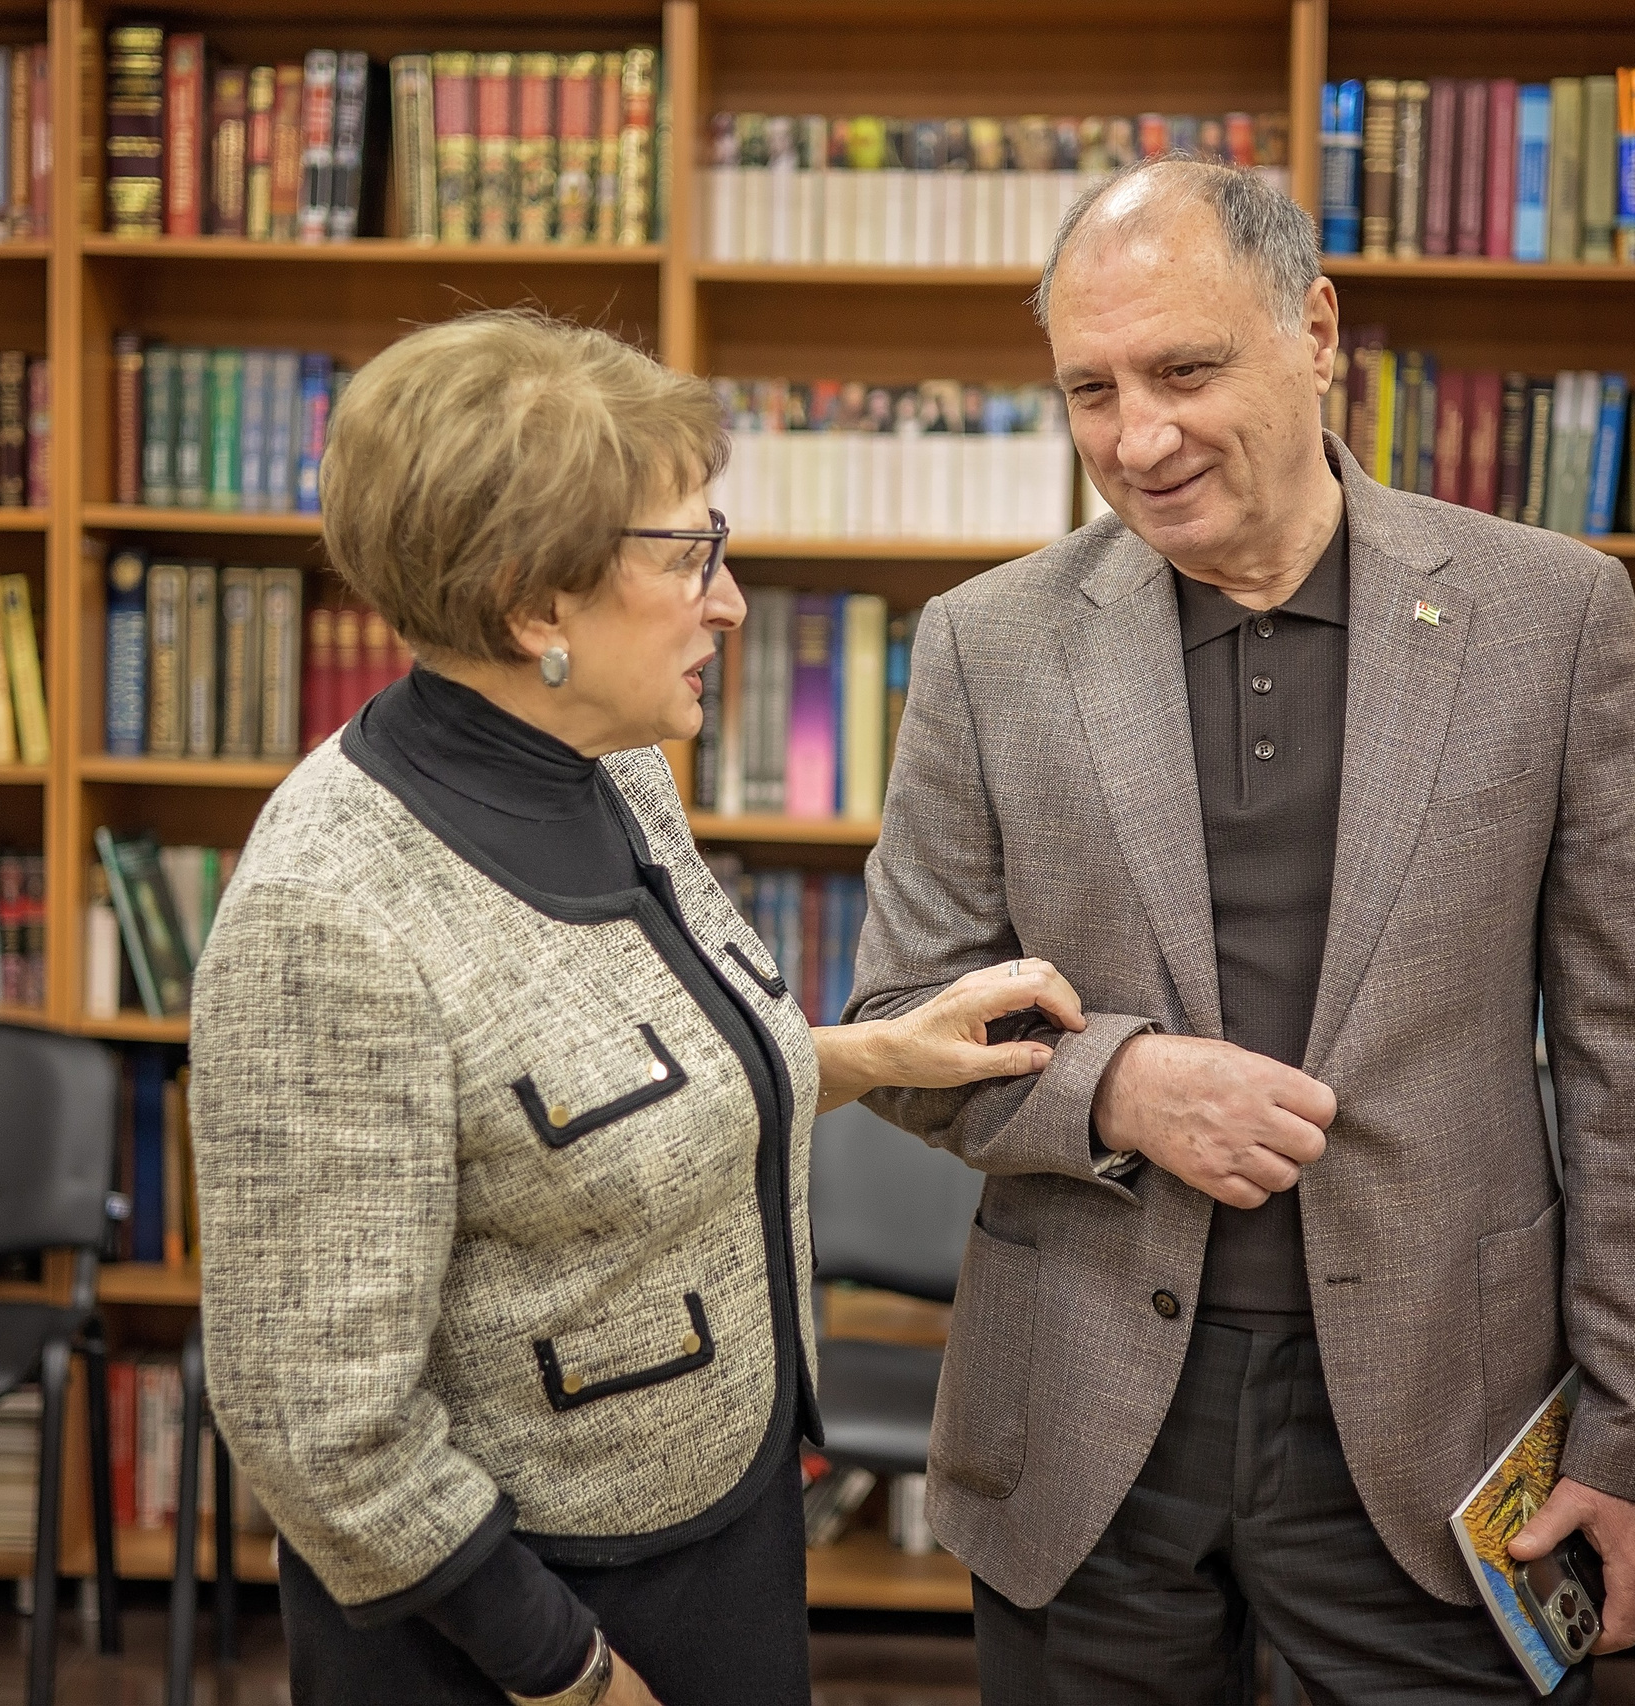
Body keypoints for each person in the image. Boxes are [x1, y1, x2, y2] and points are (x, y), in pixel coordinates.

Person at [844, 157, 1635, 1704]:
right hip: (1086, 1421)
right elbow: (905, 1025)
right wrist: (1114, 1083)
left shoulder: (1551, 616)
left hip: (1436, 1418)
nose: (1140, 437)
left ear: (1316, 331)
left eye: (1185, 369)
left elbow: (1628, 1058)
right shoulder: (987, 645)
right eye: (1090, 389)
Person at [187, 309, 1086, 1706]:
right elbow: (321, 1430)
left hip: (717, 1519)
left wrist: (865, 1054)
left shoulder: (610, 765)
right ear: (531, 604)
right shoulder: (330, 911)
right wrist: (573, 1675)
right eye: (690, 555)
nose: (730, 599)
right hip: (517, 1615)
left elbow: (626, 1090)